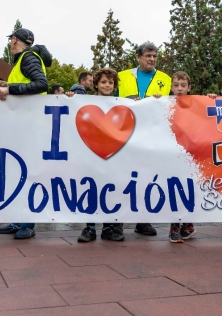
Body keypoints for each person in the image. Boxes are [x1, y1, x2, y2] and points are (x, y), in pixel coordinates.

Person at [0, 28, 52, 239]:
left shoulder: (27, 58)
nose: (9, 43)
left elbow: (41, 84)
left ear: (14, 40)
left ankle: (28, 223)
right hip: (24, 125)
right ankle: (20, 219)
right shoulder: (24, 60)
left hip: (31, 125)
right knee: (19, 172)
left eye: (10, 39)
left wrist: (10, 90)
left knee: (28, 173)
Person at [118, 42, 172, 236]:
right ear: (137, 57)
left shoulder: (165, 79)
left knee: (148, 177)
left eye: (154, 56)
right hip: (126, 134)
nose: (151, 59)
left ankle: (143, 220)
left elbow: (174, 105)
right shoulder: (122, 77)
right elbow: (106, 98)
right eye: (148, 55)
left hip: (152, 135)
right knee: (125, 177)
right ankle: (119, 220)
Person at [75, 68, 126, 243]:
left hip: (113, 156)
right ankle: (89, 228)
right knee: (91, 190)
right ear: (96, 84)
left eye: (111, 83)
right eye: (103, 82)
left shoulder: (121, 104)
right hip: (91, 154)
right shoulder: (84, 103)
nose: (107, 85)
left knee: (110, 191)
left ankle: (108, 227)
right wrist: (67, 97)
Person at [167, 71, 197, 243]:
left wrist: (214, 97)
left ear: (189, 87)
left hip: (190, 154)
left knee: (189, 188)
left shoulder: (196, 104)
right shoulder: (165, 103)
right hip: (172, 153)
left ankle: (188, 225)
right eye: (176, 85)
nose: (179, 89)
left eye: (183, 85)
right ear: (171, 87)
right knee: (175, 189)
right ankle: (174, 228)